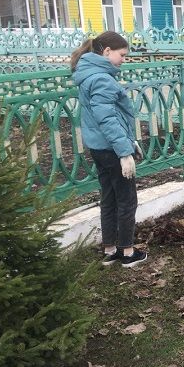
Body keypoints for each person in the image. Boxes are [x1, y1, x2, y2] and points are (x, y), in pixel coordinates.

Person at [71, 31, 148, 268]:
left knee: (109, 198)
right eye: (122, 54)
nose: (124, 59)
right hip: (112, 148)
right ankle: (127, 252)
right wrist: (124, 151)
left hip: (98, 147)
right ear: (106, 52)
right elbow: (107, 119)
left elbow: (104, 116)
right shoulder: (102, 79)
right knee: (126, 199)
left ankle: (109, 249)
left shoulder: (87, 73)